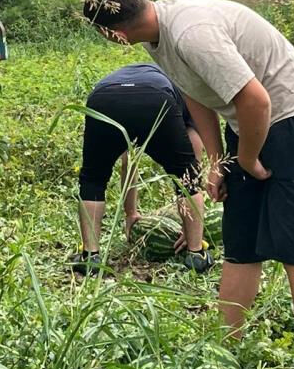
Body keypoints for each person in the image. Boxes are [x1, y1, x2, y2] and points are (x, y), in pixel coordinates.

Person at [83, 0, 294, 369]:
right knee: (241, 242)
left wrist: (247, 158)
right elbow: (195, 94)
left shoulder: (190, 32)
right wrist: (220, 163)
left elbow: (257, 99)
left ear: (113, 34)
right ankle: (225, 352)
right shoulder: (157, 31)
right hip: (249, 124)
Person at [74, 62, 214, 275]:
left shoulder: (128, 75)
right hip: (155, 97)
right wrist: (190, 229)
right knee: (187, 174)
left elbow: (128, 162)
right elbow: (193, 159)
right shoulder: (186, 90)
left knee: (93, 179)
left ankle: (90, 256)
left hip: (103, 98)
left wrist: (131, 214)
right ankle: (196, 254)